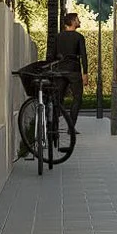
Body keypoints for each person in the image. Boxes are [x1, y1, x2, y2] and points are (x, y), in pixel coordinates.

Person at [45, 10, 89, 143]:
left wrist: (50, 70)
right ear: (72, 22)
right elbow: (84, 57)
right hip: (74, 71)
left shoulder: (58, 37)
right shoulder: (79, 37)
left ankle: (54, 129)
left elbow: (51, 56)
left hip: (59, 71)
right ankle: (71, 126)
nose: (79, 21)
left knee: (58, 100)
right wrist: (85, 73)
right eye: (77, 19)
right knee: (77, 98)